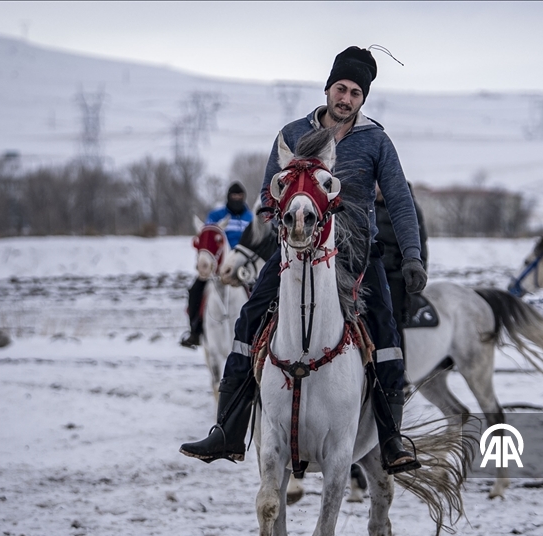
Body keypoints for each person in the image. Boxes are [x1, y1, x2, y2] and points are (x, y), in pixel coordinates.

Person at [179, 46, 428, 475]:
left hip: (357, 256)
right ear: (327, 88)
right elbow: (266, 197)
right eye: (340, 88)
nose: (346, 98)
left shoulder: (376, 141)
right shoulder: (293, 134)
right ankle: (228, 429)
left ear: (363, 99)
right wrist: (279, 219)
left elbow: (401, 201)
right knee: (249, 319)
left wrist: (412, 256)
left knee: (386, 333)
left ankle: (390, 439)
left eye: (354, 92)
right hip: (293, 250)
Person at [180, 182, 253, 348]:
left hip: (243, 266)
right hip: (218, 267)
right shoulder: (215, 215)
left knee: (259, 291)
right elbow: (207, 239)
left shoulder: (250, 218)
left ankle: (259, 331)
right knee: (195, 290)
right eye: (233, 197)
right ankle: (195, 330)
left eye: (239, 197)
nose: (237, 200)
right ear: (228, 197)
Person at [374, 182, 428, 339]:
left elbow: (420, 246)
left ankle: (398, 361)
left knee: (393, 321)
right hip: (372, 272)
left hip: (396, 276)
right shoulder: (369, 205)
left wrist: (416, 284)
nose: (375, 187)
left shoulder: (406, 207)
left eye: (378, 183)